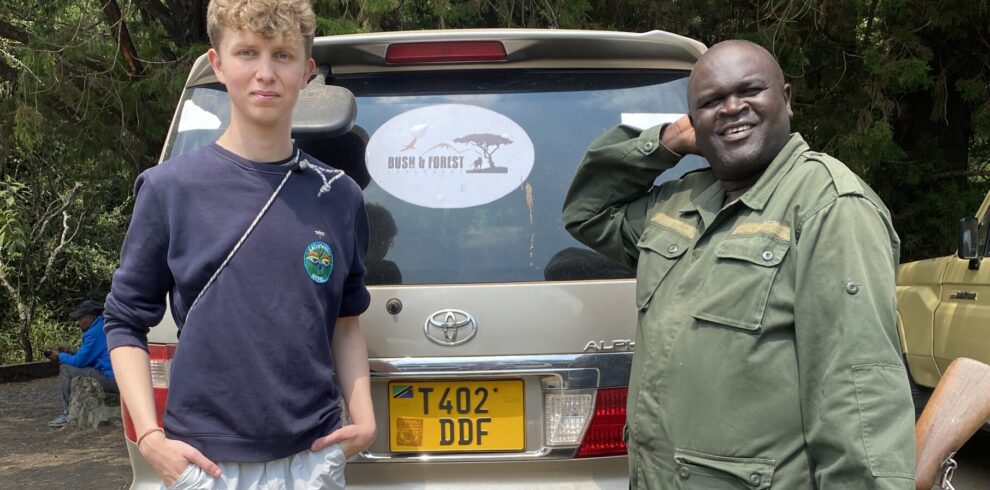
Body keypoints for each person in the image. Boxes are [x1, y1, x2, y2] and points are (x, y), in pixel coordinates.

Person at [562, 40, 915, 488]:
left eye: (749, 91)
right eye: (710, 102)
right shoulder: (680, 202)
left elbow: (859, 396)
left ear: (786, 99)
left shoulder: (828, 206)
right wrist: (666, 143)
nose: (731, 108)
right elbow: (586, 213)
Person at [102, 0, 376, 487]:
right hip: (204, 464)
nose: (265, 73)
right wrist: (149, 437)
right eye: (247, 52)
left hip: (312, 460)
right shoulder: (170, 189)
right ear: (218, 64)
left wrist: (364, 415)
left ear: (307, 71)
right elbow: (124, 321)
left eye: (283, 55)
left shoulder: (339, 195)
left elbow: (345, 319)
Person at [46, 299, 117, 428]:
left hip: (111, 379)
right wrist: (69, 353)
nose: (77, 323)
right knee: (69, 366)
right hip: (117, 377)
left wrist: (60, 356)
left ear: (89, 318)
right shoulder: (103, 326)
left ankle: (68, 413)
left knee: (65, 369)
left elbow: (80, 361)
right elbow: (87, 358)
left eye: (79, 319)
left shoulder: (94, 333)